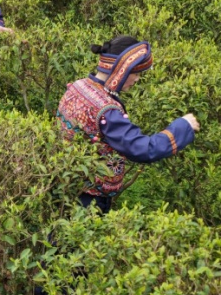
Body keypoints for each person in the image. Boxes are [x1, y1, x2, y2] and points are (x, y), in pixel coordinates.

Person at [56, 36, 199, 214]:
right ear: (121, 70)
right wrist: (183, 126)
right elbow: (143, 149)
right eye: (136, 73)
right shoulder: (106, 110)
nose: (137, 79)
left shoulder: (80, 85)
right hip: (89, 199)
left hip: (65, 184)